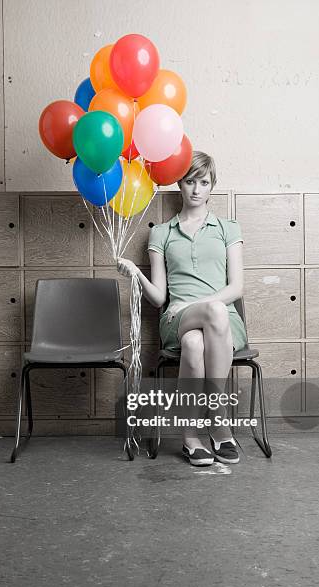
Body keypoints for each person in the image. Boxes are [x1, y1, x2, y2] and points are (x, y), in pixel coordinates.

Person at [117, 151, 247, 467]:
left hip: (225, 319)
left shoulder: (228, 228)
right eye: (190, 181)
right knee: (202, 322)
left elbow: (236, 288)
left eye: (204, 182)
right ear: (180, 184)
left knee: (196, 341)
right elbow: (160, 298)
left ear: (212, 186)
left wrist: (200, 303)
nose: (196, 189)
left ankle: (190, 437)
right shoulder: (161, 233)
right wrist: (136, 273)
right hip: (177, 318)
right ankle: (217, 418)